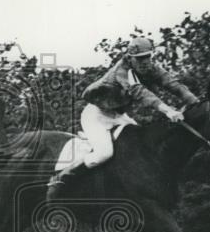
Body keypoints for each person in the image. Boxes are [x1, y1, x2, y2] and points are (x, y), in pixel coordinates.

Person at [46, 36, 199, 197]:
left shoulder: (152, 69)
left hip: (118, 115)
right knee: (104, 153)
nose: (145, 62)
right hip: (96, 115)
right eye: (140, 59)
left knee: (140, 146)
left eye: (147, 57)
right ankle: (62, 177)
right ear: (131, 58)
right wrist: (168, 110)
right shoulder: (122, 71)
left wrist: (197, 102)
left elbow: (173, 84)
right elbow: (140, 92)